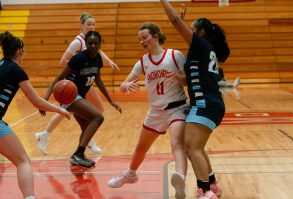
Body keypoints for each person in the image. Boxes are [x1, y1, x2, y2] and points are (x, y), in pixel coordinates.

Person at [107, 22, 188, 199]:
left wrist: (177, 77)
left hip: (177, 107)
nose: (141, 42)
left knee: (177, 144)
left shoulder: (175, 55)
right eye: (139, 39)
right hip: (156, 111)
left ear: (156, 36)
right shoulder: (142, 63)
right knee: (140, 147)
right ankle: (131, 174)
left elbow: (187, 81)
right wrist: (126, 85)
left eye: (144, 38)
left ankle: (180, 178)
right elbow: (122, 86)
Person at [160, 1, 230, 198]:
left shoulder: (201, 45)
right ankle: (212, 184)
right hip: (208, 102)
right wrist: (175, 77)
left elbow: (174, 20)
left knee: (191, 147)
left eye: (191, 29)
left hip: (205, 104)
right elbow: (191, 80)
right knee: (195, 146)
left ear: (200, 33)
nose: (187, 31)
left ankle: (206, 191)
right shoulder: (203, 51)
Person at [35, 12, 119, 155]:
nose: (92, 27)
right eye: (88, 24)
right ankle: (48, 135)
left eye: (93, 24)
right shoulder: (78, 42)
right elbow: (63, 61)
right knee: (76, 111)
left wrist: (108, 60)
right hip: (74, 83)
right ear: (82, 25)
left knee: (96, 109)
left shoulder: (90, 40)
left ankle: (48, 135)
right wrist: (80, 63)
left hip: (85, 80)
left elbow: (98, 50)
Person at [0, 31, 70, 199]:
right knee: (23, 161)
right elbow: (37, 102)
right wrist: (60, 109)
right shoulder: (16, 70)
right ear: (20, 52)